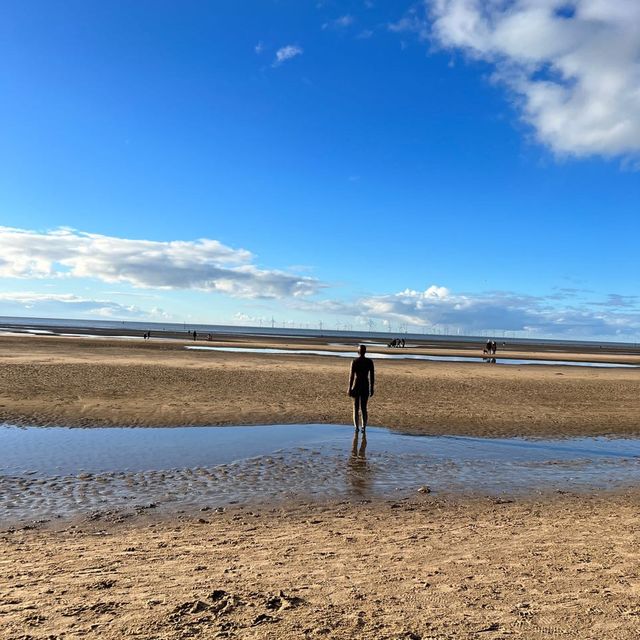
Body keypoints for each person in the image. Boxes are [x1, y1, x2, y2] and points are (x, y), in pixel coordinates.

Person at [347, 344, 375, 432]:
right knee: (363, 407)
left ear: (358, 352)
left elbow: (351, 376)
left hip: (358, 384)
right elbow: (372, 377)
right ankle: (362, 427)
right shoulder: (369, 362)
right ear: (365, 352)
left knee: (356, 407)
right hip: (364, 385)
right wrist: (372, 387)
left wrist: (349, 387)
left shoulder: (355, 361)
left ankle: (357, 427)